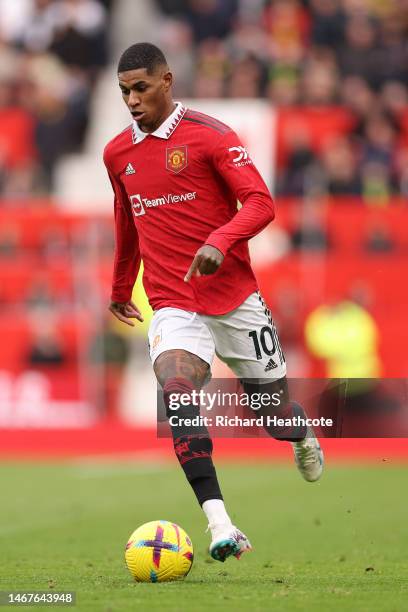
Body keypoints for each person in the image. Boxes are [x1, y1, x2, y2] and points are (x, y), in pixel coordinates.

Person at [104, 42, 324, 563]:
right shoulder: (117, 153)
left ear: (166, 81)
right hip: (173, 302)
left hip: (235, 298)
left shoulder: (211, 137)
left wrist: (218, 242)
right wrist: (118, 286)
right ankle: (220, 525)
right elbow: (126, 222)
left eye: (139, 88)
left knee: (272, 416)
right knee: (177, 391)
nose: (131, 100)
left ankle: (300, 432)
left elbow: (261, 202)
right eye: (123, 92)